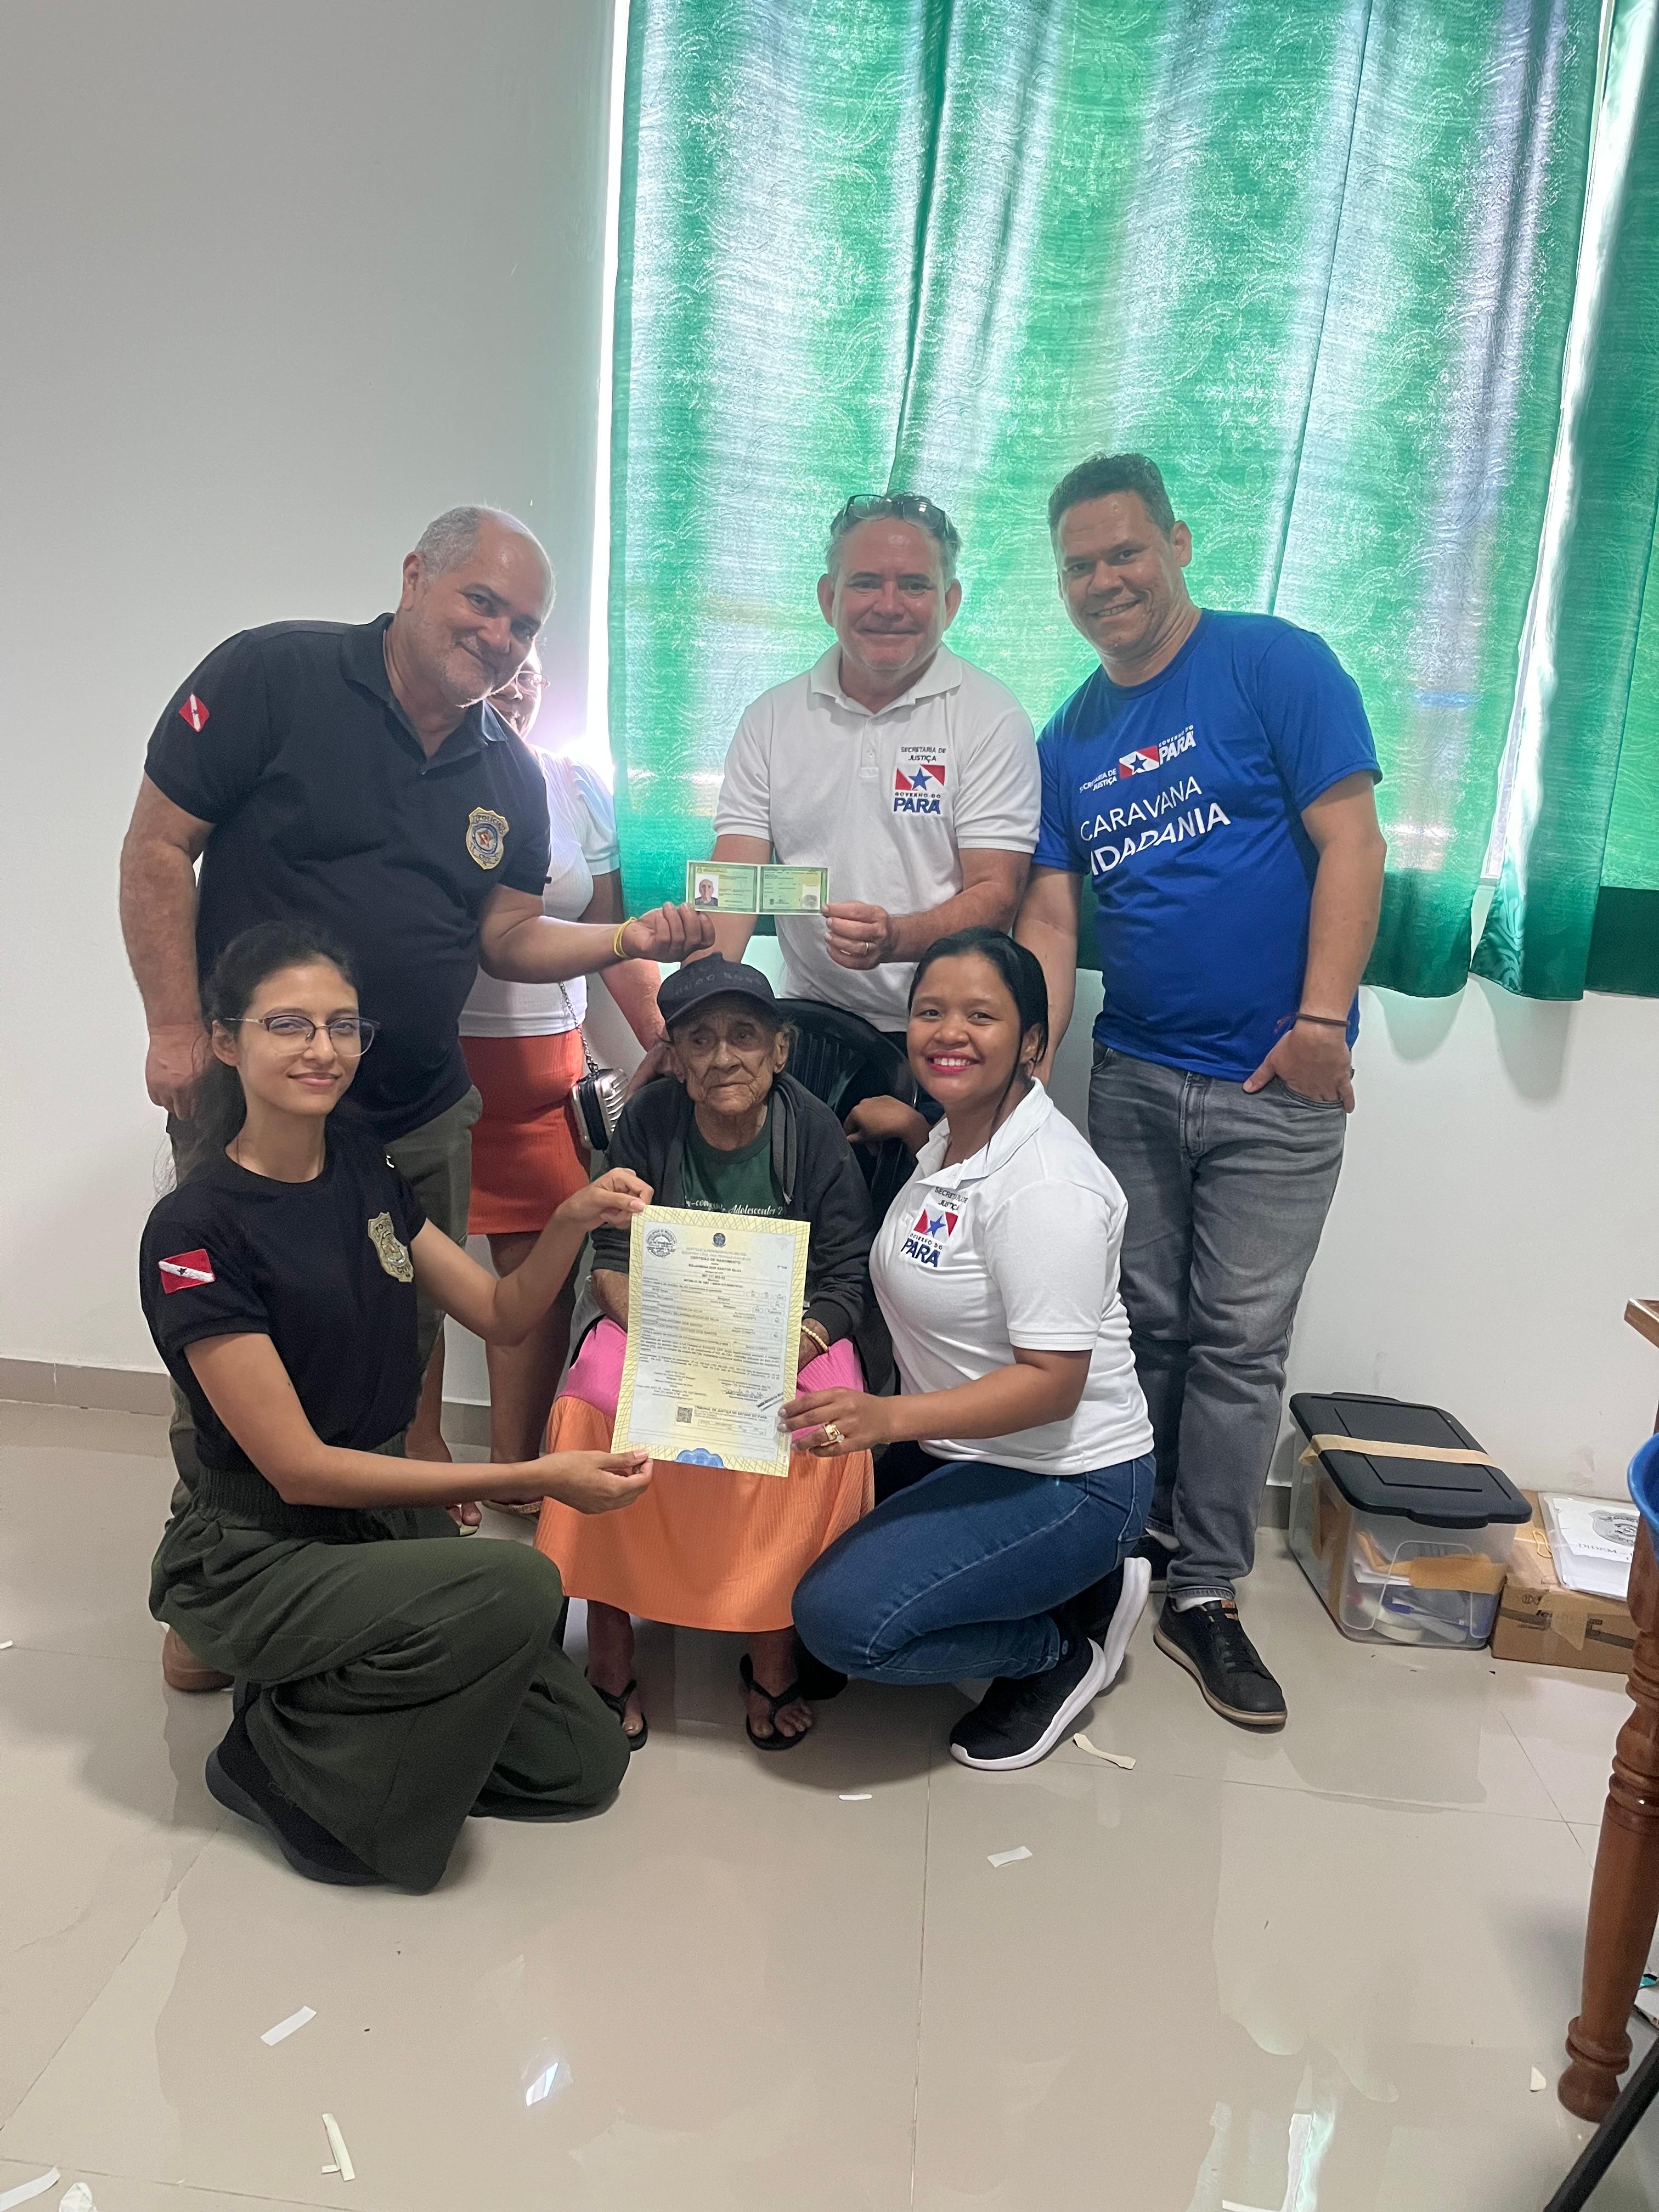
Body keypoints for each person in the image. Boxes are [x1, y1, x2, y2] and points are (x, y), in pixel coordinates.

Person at [119, 505, 709, 1689]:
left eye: (522, 624)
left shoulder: (507, 770)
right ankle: (222, 1566)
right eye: (479, 602)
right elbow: (154, 847)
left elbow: (500, 936)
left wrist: (621, 940)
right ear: (415, 579)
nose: (496, 637)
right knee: (236, 1342)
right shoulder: (272, 673)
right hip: (257, 1105)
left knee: (396, 1346)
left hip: (416, 1105)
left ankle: (356, 1549)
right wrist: (178, 1027)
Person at [139, 919, 658, 1891]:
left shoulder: (361, 1166)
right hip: (257, 1549)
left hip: (370, 1526)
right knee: (519, 1586)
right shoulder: (195, 1229)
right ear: (225, 1042)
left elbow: (503, 1314)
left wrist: (568, 1220)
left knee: (580, 1762)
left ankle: (321, 1689)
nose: (322, 1050)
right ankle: (272, 1755)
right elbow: (296, 1466)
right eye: (288, 1025)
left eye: (342, 1026)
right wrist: (532, 1476)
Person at [1016, 453, 1386, 1732]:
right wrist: (1027, 1061)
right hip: (1137, 1078)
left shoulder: (1273, 664)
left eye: (1125, 552)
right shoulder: (1070, 737)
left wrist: (1321, 1023)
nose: (1106, 580)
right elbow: (1055, 920)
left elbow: (1354, 837)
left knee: (1237, 1346)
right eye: (1080, 564)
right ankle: (1128, 1551)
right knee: (1140, 1327)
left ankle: (1206, 1594)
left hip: (1279, 1082)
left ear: (1176, 541)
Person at [787, 929, 1154, 1773]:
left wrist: (888, 1418)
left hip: (1067, 1478)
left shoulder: (1047, 1188)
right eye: (930, 1012)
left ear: (1031, 1043)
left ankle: (1056, 1651)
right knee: (784, 1560)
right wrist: (917, 1124)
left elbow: (1053, 1386)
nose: (948, 1032)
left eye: (980, 1016)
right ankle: (1071, 1585)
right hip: (962, 1449)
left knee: (841, 1626)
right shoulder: (956, 1136)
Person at [534, 957, 883, 1750]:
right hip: (666, 1321)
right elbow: (609, 1268)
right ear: (678, 1059)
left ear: (780, 1049)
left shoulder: (814, 1132)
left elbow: (845, 1276)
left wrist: (777, 1349)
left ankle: (770, 1644)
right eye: (699, 1039)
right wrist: (677, 1338)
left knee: (822, 1424)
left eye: (743, 1036)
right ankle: (611, 1640)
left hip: (788, 1331)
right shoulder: (650, 1122)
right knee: (591, 1401)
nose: (723, 1056)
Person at [699, 492, 1040, 1149]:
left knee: (924, 1235)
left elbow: (997, 895)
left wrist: (896, 938)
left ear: (951, 601)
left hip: (946, 1035)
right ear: (829, 598)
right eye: (866, 583)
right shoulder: (772, 717)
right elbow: (734, 883)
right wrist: (699, 1011)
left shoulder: (992, 718)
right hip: (805, 1027)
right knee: (804, 1229)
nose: (889, 604)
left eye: (915, 584)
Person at [414, 647, 664, 1491]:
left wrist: (667, 1034)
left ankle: (518, 1474)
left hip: (545, 1086)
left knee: (541, 1286)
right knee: (410, 1277)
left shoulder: (574, 787)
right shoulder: (417, 773)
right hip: (428, 1076)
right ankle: (424, 1465)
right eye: (503, 666)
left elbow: (613, 936)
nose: (516, 683)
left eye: (532, 672)